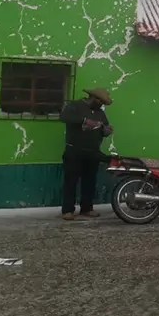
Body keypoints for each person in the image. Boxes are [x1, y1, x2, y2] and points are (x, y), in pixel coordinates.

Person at [59, 88, 113, 220]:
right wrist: (85, 121)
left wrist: (107, 130)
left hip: (93, 151)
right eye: (100, 101)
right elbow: (64, 117)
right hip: (74, 150)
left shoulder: (100, 113)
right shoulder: (75, 106)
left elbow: (104, 128)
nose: (101, 104)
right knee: (71, 181)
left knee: (89, 181)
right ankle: (68, 210)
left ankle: (87, 208)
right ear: (93, 97)